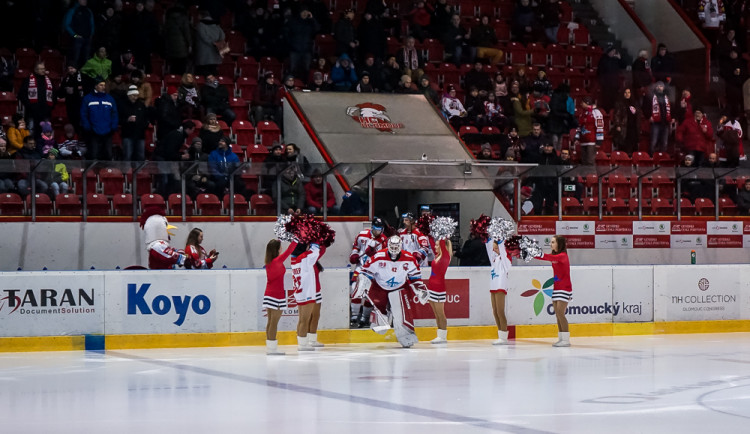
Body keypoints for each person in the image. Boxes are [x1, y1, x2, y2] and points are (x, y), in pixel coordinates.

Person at [354, 235, 427, 348]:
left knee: (402, 314)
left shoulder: (409, 258)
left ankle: (405, 335)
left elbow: (415, 276)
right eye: (391, 246)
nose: (393, 249)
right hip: (380, 287)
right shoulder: (378, 257)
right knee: (379, 324)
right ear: (388, 246)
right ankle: (383, 316)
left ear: (400, 246)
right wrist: (363, 283)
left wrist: (420, 288)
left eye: (396, 246)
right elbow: (365, 272)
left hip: (400, 287)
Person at [348, 217, 388, 328]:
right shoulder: (362, 234)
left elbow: (384, 258)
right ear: (372, 228)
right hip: (360, 267)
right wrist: (353, 256)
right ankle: (354, 315)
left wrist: (373, 254)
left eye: (380, 229)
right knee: (355, 288)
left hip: (374, 271)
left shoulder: (384, 240)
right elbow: (355, 248)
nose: (378, 231)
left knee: (370, 294)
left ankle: (365, 317)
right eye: (376, 229)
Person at [263, 238, 298, 355]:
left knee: (270, 322)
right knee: (273, 322)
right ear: (277, 249)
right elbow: (290, 250)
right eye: (280, 247)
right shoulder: (277, 261)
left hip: (269, 294)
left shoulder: (268, 263)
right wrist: (296, 239)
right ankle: (272, 348)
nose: (282, 249)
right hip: (276, 296)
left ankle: (270, 347)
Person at [535, 235, 572, 347]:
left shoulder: (563, 256)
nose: (550, 244)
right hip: (556, 288)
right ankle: (561, 338)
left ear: (559, 244)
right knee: (557, 314)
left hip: (565, 288)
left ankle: (566, 340)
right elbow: (545, 257)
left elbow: (549, 258)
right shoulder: (556, 256)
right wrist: (531, 254)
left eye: (553, 242)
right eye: (550, 242)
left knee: (561, 313)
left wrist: (536, 253)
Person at [291, 242, 322, 351]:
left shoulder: (294, 259)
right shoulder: (305, 259)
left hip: (300, 292)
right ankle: (303, 344)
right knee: (305, 319)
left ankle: (302, 342)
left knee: (301, 319)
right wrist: (315, 241)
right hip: (307, 293)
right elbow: (316, 251)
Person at [485, 234, 515, 345]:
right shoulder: (494, 259)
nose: (494, 250)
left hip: (501, 286)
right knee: (495, 311)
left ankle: (504, 335)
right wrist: (488, 239)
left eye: (496, 248)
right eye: (494, 248)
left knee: (500, 311)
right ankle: (500, 334)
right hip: (493, 286)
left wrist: (500, 239)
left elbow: (502, 250)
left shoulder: (506, 261)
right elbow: (489, 249)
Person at [80, 78, 119, 161]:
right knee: (94, 155)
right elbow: (84, 114)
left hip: (108, 132)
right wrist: (87, 126)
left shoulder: (110, 99)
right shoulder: (87, 99)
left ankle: (107, 173)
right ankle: (93, 173)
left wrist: (113, 126)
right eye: (101, 85)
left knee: (108, 154)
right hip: (93, 132)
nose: (103, 87)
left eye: (104, 85)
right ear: (95, 86)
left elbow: (114, 113)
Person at [17, 61, 56, 134]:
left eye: (44, 69)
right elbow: (21, 95)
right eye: (41, 69)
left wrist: (50, 107)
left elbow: (54, 95)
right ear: (35, 70)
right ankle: (31, 145)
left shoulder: (49, 81)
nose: (43, 70)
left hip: (45, 112)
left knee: (46, 131)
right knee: (31, 130)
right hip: (31, 111)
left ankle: (45, 145)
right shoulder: (28, 80)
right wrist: (29, 105)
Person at [427, 238, 452, 344]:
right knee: (436, 314)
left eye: (438, 245)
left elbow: (442, 242)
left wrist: (442, 234)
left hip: (438, 289)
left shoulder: (446, 257)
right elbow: (432, 243)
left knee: (440, 313)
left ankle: (443, 336)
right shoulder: (437, 256)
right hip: (431, 287)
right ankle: (439, 335)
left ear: (443, 247)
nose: (435, 247)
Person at [118, 85, 148, 161]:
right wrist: (127, 120)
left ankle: (140, 172)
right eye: (133, 95)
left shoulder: (141, 105)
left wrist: (144, 125)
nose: (135, 97)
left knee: (141, 156)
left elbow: (146, 118)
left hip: (140, 135)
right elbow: (119, 119)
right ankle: (127, 172)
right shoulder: (122, 105)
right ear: (129, 95)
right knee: (127, 156)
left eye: (136, 95)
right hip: (128, 135)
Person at [611, 88, 642, 155]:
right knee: (623, 143)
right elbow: (617, 115)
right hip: (624, 126)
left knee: (633, 143)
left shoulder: (634, 103)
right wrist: (618, 125)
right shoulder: (619, 103)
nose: (627, 94)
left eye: (629, 92)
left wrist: (636, 112)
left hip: (633, 127)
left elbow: (638, 114)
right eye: (625, 92)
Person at [193, 10, 225, 76]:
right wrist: (217, 43)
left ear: (200, 16)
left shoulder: (200, 25)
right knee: (213, 74)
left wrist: (213, 43)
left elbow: (204, 38)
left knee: (202, 76)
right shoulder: (216, 25)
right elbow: (223, 36)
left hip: (204, 56)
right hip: (215, 55)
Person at [575, 96, 604, 166]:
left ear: (587, 103)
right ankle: (585, 176)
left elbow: (600, 126)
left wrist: (599, 140)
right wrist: (577, 137)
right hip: (583, 141)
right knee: (584, 162)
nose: (581, 104)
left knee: (590, 162)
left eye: (582, 102)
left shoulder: (596, 112)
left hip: (592, 141)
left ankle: (592, 176)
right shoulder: (583, 114)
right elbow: (579, 127)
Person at [645, 81, 672, 155]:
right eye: (658, 86)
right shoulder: (651, 97)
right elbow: (645, 108)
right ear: (655, 87)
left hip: (665, 123)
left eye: (661, 86)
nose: (659, 87)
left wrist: (672, 118)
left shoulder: (667, 98)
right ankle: (651, 157)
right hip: (655, 123)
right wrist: (649, 116)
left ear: (663, 88)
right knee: (654, 141)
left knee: (664, 142)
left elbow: (671, 109)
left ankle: (663, 157)